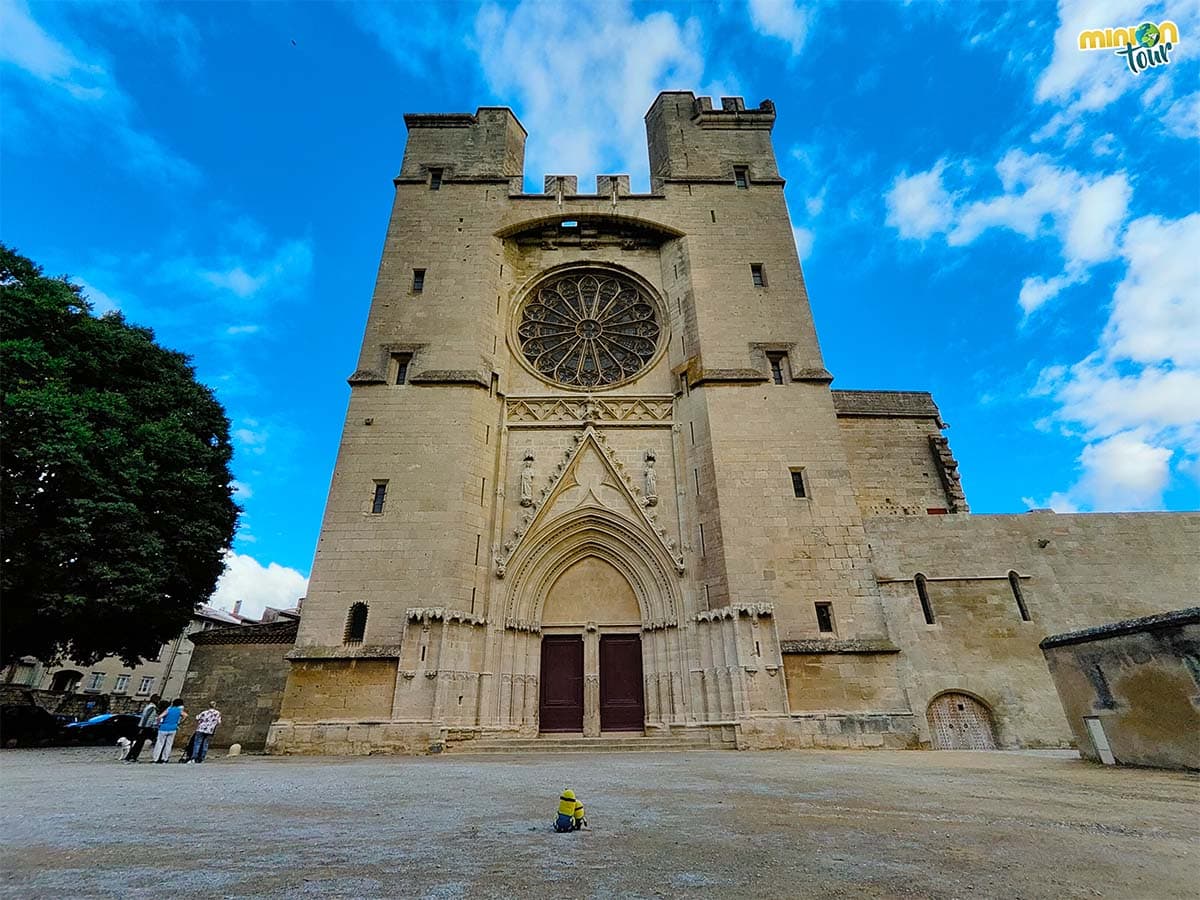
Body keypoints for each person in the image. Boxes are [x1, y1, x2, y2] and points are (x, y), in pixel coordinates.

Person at [125, 694, 161, 763]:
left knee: (140, 742)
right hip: (146, 727)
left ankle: (132, 756)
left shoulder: (151, 707)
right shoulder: (151, 707)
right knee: (139, 742)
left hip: (147, 726)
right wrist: (142, 727)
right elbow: (145, 717)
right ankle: (131, 756)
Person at [152, 699, 186, 763]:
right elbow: (185, 715)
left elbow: (160, 717)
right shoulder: (179, 710)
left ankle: (156, 758)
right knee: (169, 744)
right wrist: (179, 722)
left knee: (159, 743)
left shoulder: (169, 709)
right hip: (173, 728)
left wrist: (158, 723)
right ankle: (165, 758)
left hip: (164, 728)